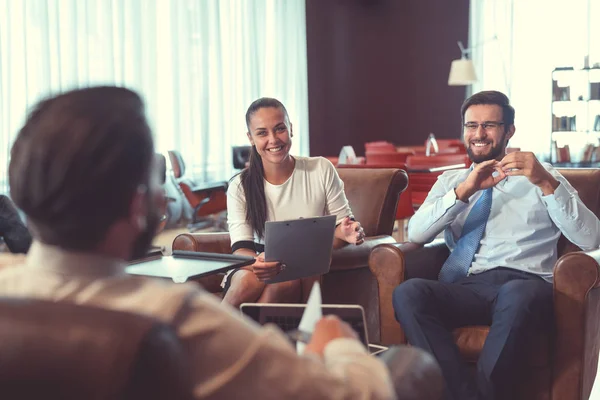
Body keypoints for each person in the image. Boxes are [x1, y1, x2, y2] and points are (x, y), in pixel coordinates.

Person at [0, 86, 396, 399]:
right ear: (142, 203)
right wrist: (339, 345)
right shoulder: (181, 322)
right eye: (159, 186)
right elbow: (361, 394)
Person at [392, 90, 600, 400]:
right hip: (469, 286)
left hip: (525, 286)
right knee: (408, 292)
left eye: (489, 125)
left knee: (518, 292)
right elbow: (417, 234)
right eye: (471, 125)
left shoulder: (544, 178)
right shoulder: (451, 182)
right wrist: (466, 189)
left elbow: (591, 238)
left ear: (509, 131)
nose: (478, 134)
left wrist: (545, 183)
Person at [223, 97, 365, 307]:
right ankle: (207, 337)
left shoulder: (321, 169)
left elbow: (341, 228)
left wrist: (346, 232)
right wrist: (257, 263)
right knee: (246, 281)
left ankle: (252, 339)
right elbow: (241, 248)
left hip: (303, 266)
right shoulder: (239, 185)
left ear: (291, 128)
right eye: (262, 133)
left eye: (280, 129)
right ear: (251, 138)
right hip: (255, 262)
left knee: (285, 283)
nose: (273, 139)